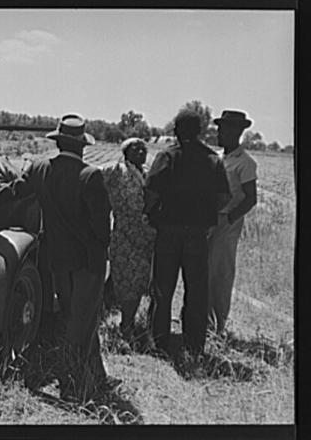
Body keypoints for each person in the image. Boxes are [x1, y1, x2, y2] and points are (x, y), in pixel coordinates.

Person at [0, 113, 111, 402]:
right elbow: (102, 230)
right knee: (81, 323)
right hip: (88, 263)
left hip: (60, 260)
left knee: (77, 318)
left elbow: (15, 190)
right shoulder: (91, 176)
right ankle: (72, 385)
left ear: (59, 142)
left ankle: (97, 377)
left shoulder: (41, 169)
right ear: (82, 146)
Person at [143, 109, 230, 361]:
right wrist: (207, 216)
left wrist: (151, 214)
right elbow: (224, 197)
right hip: (197, 234)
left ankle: (159, 341)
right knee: (196, 289)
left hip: (168, 231)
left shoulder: (167, 156)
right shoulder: (213, 159)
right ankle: (194, 344)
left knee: (162, 287)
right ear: (200, 131)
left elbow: (151, 191)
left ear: (176, 131)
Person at [207, 110, 258, 336]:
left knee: (221, 272)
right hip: (208, 221)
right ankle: (203, 320)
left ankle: (218, 326)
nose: (219, 132)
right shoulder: (217, 157)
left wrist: (229, 218)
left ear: (236, 132)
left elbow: (251, 198)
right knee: (204, 270)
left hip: (228, 222)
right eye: (219, 128)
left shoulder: (245, 163)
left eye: (223, 129)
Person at [101, 137, 156, 343]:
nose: (141, 152)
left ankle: (131, 323)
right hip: (124, 235)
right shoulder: (115, 171)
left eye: (144, 148)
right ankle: (124, 327)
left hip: (146, 237)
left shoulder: (147, 173)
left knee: (140, 280)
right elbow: (91, 178)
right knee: (125, 282)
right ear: (125, 152)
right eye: (136, 148)